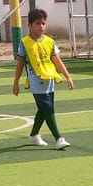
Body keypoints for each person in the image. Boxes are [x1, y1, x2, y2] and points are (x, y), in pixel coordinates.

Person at [12, 8, 74, 150]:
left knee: (43, 109)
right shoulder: (25, 43)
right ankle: (58, 138)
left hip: (49, 79)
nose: (41, 26)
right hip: (36, 80)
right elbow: (20, 64)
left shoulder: (50, 42)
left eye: (43, 23)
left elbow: (57, 60)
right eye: (38, 23)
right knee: (48, 108)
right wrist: (16, 83)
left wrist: (68, 76)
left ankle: (34, 135)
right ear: (30, 25)